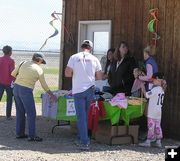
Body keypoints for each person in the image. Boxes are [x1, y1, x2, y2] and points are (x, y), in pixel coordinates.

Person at [65, 40, 102, 150]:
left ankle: (84, 141)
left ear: (82, 47)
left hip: (78, 89)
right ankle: (82, 136)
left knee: (81, 116)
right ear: (91, 48)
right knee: (85, 115)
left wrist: (76, 73)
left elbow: (67, 73)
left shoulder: (74, 57)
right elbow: (99, 76)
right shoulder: (95, 59)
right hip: (90, 89)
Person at [11, 53, 57, 142]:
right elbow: (44, 85)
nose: (41, 63)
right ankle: (32, 136)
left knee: (20, 111)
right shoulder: (39, 69)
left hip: (16, 88)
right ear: (39, 60)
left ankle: (19, 133)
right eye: (41, 62)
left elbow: (13, 74)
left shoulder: (23, 62)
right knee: (31, 113)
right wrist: (52, 95)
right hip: (26, 90)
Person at [139, 72, 165, 148]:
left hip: (152, 111)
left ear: (157, 79)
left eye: (153, 80)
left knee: (151, 126)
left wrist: (143, 88)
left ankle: (148, 141)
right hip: (158, 111)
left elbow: (147, 95)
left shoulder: (155, 89)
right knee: (157, 126)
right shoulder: (162, 89)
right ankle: (158, 141)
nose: (152, 81)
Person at [0, 45, 15, 120]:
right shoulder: (11, 61)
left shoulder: (0, 59)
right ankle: (8, 116)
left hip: (0, 82)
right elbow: (12, 72)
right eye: (11, 51)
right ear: (9, 52)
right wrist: (14, 81)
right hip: (9, 84)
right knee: (9, 100)